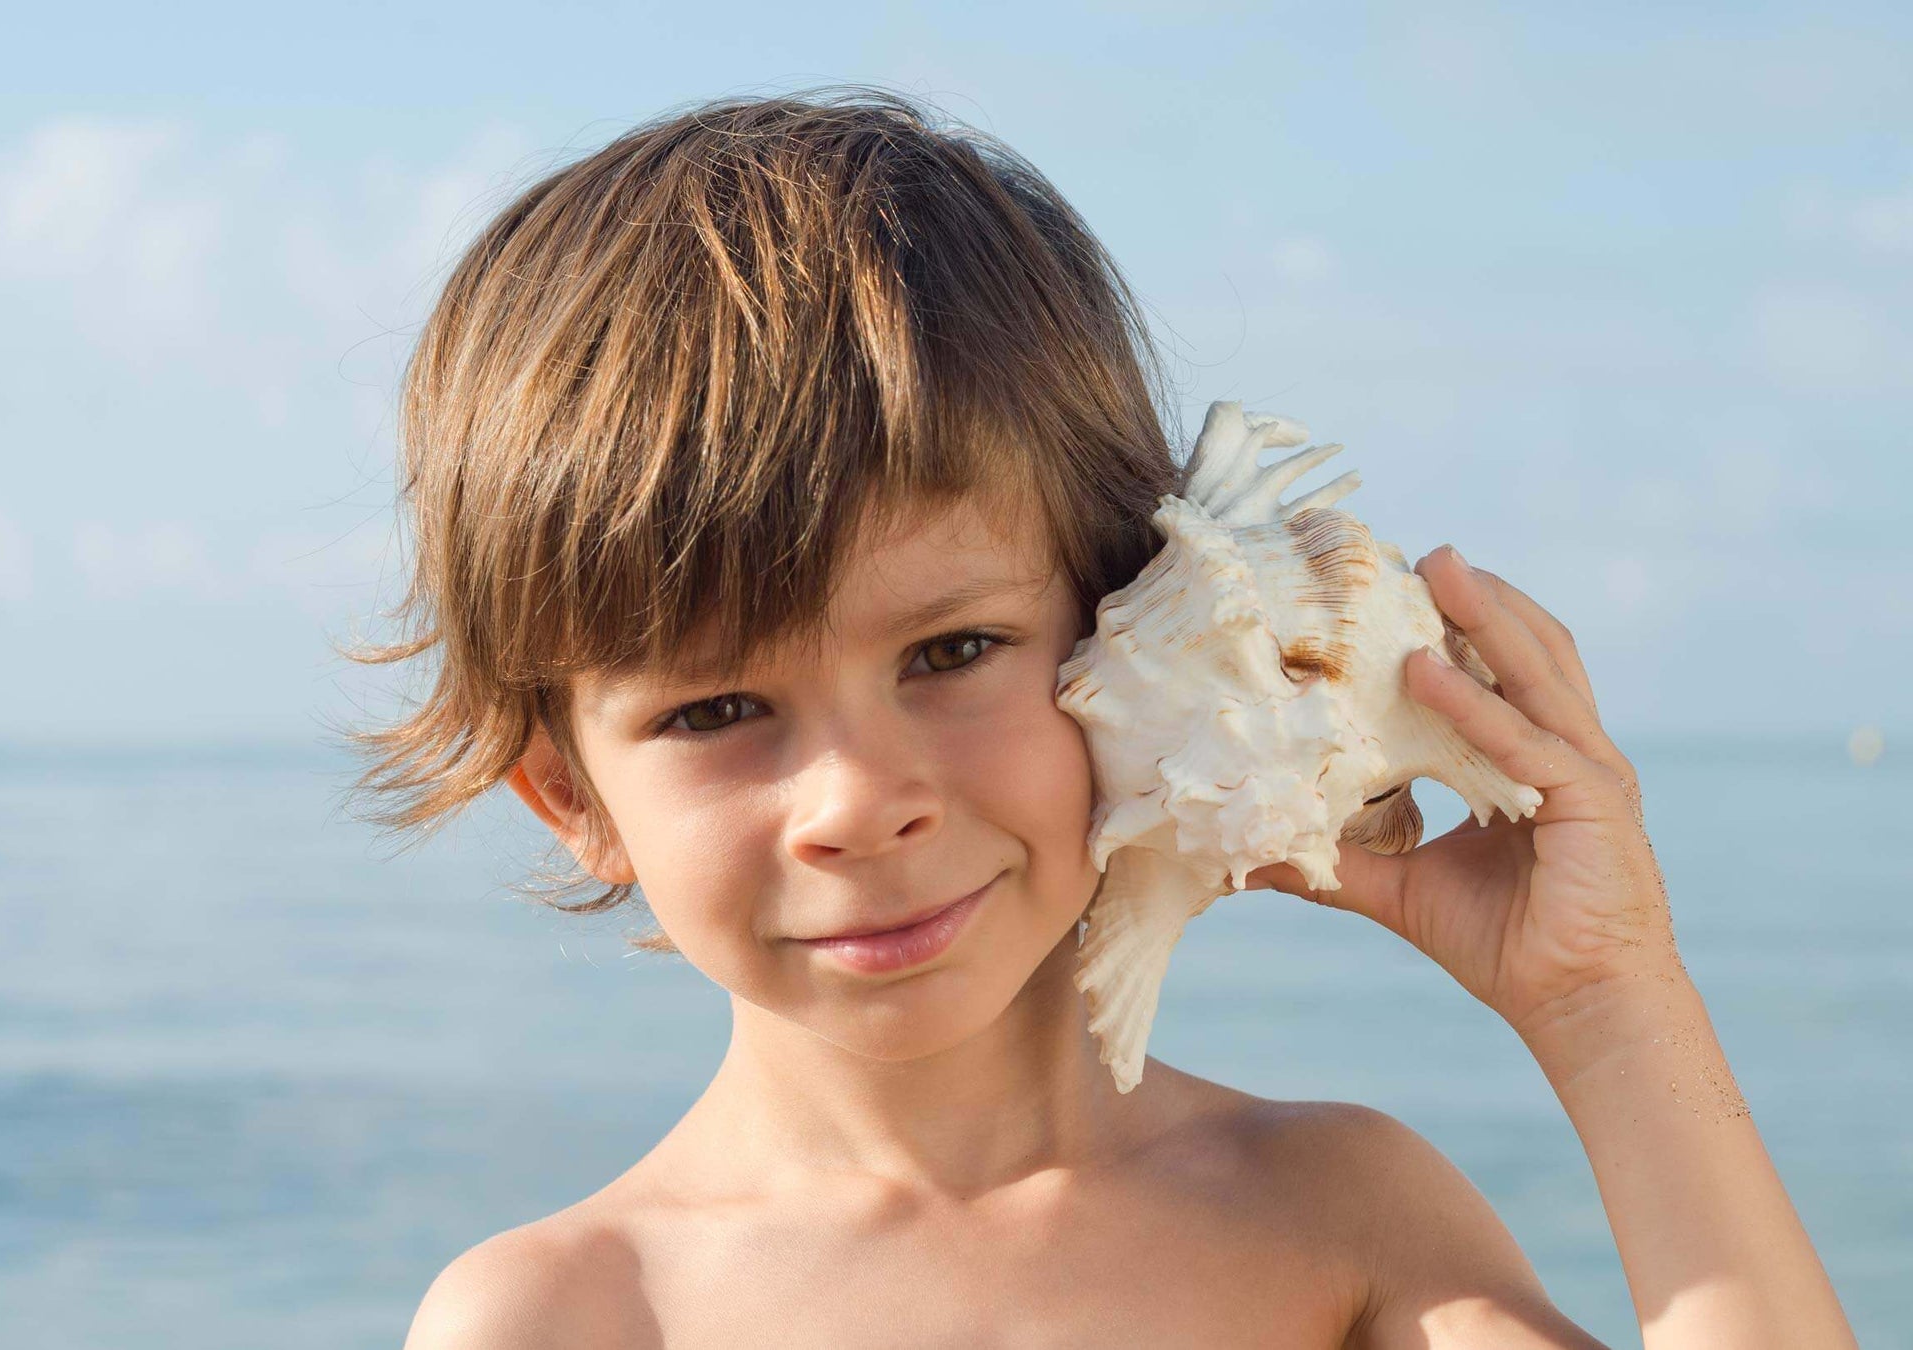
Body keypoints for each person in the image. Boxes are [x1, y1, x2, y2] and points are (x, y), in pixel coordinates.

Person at [343, 88, 1857, 1348]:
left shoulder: (1336, 1218)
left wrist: (1607, 1001)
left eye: (951, 650)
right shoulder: (572, 1314)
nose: (859, 800)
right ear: (572, 796)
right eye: (719, 707)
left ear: (1126, 624)